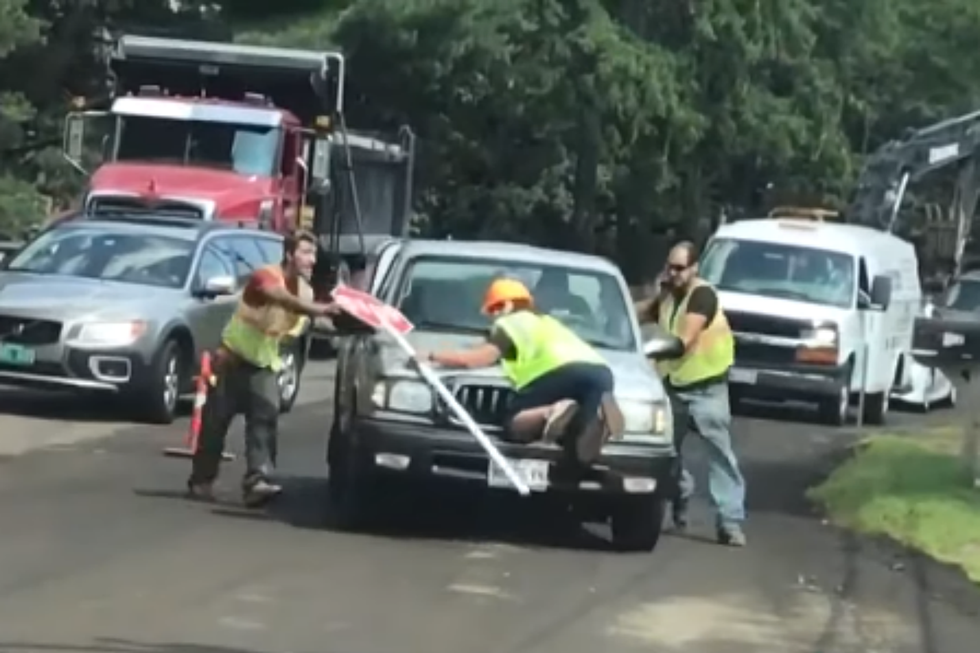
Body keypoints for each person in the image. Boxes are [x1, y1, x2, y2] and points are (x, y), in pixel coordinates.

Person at [187, 230, 342, 507]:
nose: (311, 260)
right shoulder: (265, 277)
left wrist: (351, 324)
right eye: (305, 253)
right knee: (214, 424)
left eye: (314, 254)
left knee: (264, 422)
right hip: (231, 359)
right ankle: (202, 480)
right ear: (289, 254)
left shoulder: (305, 291)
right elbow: (281, 298)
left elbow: (309, 322)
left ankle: (256, 480)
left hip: (264, 364)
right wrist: (318, 309)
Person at [422, 277, 624, 467]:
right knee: (579, 441)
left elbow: (477, 359)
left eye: (494, 308)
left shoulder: (510, 324)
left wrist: (432, 355)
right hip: (601, 374)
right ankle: (596, 420)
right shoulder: (546, 322)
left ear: (508, 305)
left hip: (562, 370)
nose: (492, 316)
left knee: (514, 423)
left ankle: (553, 412)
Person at [635, 241, 747, 547]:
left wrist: (648, 351)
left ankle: (730, 522)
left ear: (695, 268)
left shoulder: (702, 296)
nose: (673, 273)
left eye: (679, 268)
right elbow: (640, 314)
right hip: (674, 388)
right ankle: (681, 494)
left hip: (708, 388)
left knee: (720, 456)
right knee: (665, 455)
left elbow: (685, 338)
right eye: (670, 267)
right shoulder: (669, 296)